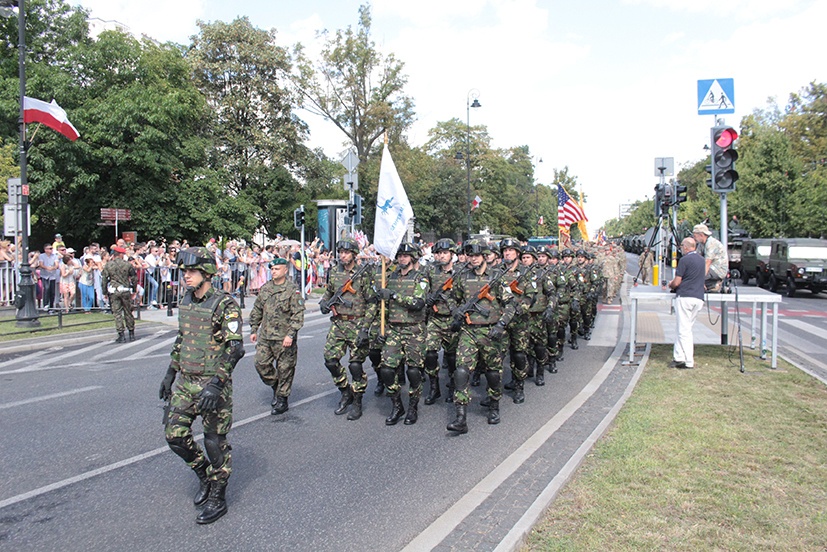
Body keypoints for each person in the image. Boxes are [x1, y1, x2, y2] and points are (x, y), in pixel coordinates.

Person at [159, 246, 244, 525]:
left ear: (207, 273)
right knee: (174, 435)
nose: (186, 276)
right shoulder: (187, 301)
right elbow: (183, 339)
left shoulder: (224, 304)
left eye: (192, 271)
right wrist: (170, 374)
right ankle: (204, 474)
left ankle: (218, 496)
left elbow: (235, 348)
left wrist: (217, 384)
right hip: (186, 382)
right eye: (184, 271)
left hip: (212, 383)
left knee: (214, 442)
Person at [447, 240, 517, 433]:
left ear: (485, 256)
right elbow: (452, 298)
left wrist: (502, 324)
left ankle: (494, 406)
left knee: (493, 373)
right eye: (470, 255)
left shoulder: (497, 277)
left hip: (491, 331)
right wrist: (456, 311)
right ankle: (461, 417)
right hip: (469, 331)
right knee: (461, 371)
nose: (474, 258)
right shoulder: (462, 277)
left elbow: (511, 304)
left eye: (477, 255)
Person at [320, 238, 377, 420]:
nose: (342, 255)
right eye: (340, 252)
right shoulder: (335, 273)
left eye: (346, 252)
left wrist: (365, 329)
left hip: (357, 322)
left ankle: (358, 399)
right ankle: (345, 391)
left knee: (355, 364)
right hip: (338, 323)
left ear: (354, 254)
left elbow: (372, 303)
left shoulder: (363, 274)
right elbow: (329, 292)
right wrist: (323, 303)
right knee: (330, 360)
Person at [376, 242, 429, 425]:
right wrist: (379, 328)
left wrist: (394, 296)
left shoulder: (421, 278)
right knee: (387, 370)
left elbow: (418, 303)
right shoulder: (389, 277)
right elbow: (382, 307)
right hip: (394, 329)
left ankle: (413, 406)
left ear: (413, 257)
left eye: (405, 256)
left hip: (414, 330)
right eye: (399, 256)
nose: (402, 259)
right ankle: (397, 404)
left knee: (414, 371)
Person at [249, 257, 304, 415]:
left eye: (277, 269)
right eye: (272, 269)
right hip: (266, 336)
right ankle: (276, 385)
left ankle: (282, 399)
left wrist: (291, 334)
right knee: (261, 364)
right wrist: (254, 329)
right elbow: (257, 310)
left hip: (284, 338)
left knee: (285, 368)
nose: (273, 272)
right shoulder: (265, 289)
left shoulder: (292, 290)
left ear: (285, 270)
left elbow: (298, 314)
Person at [667, 237, 705, 369]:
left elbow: (677, 282)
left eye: (682, 246)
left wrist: (670, 285)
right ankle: (678, 357)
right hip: (698, 298)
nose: (681, 248)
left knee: (684, 331)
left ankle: (688, 361)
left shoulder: (684, 260)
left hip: (685, 297)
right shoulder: (702, 260)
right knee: (684, 328)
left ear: (687, 247)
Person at [101, 245, 137, 342]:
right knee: (128, 312)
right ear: (121, 254)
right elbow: (134, 278)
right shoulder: (128, 265)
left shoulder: (109, 265)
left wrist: (104, 292)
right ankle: (131, 333)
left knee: (117, 313)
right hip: (125, 290)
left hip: (114, 290)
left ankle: (121, 335)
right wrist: (134, 290)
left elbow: (104, 279)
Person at [692, 223, 728, 292]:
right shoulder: (701, 244)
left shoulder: (711, 243)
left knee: (695, 277)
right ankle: (711, 285)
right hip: (711, 267)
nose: (694, 238)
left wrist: (701, 279)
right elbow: (697, 258)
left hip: (718, 269)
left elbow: (707, 262)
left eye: (695, 236)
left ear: (701, 235)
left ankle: (714, 285)